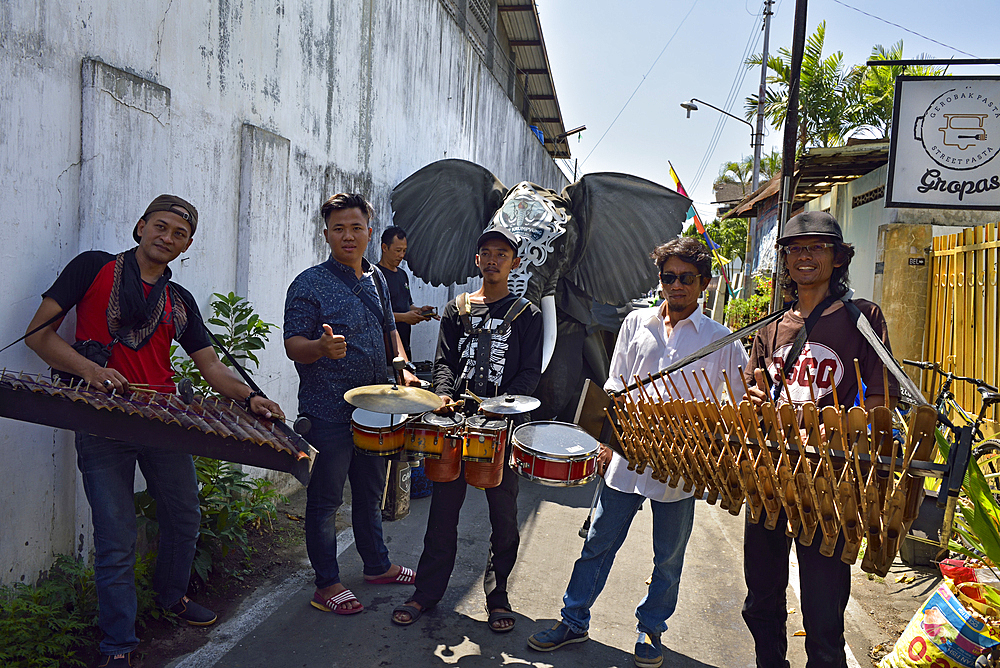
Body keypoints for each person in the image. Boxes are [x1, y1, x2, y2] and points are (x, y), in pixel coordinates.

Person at [24, 194, 285, 668]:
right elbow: (38, 335)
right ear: (141, 226)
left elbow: (211, 367)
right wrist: (88, 369)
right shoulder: (91, 268)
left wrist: (249, 398)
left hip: (164, 423)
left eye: (179, 234)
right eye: (160, 227)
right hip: (100, 420)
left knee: (184, 515)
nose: (167, 237)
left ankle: (171, 597)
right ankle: (117, 643)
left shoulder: (179, 301)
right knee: (116, 533)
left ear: (186, 246)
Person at [526, 237, 748, 668]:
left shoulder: (722, 340)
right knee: (597, 544)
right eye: (669, 277)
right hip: (626, 458)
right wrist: (607, 444)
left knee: (667, 558)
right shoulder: (635, 324)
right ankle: (573, 621)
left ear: (702, 283)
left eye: (687, 278)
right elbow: (614, 384)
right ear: (660, 280)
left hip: (682, 467)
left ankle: (651, 630)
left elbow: (736, 406)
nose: (677, 286)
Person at [741, 211, 898, 668]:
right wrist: (755, 398)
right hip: (769, 475)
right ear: (785, 260)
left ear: (837, 257)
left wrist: (844, 429)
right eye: (796, 248)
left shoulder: (861, 319)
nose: (805, 256)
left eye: (818, 247)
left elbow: (883, 399)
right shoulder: (772, 327)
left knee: (823, 611)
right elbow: (755, 390)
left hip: (830, 481)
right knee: (761, 599)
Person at [390, 223, 542, 633]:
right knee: (442, 513)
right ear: (477, 260)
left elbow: (530, 373)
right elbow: (443, 363)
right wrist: (442, 396)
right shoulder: (457, 308)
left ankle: (498, 596)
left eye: (501, 254)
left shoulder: (528, 315)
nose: (493, 260)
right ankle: (426, 592)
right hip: (455, 427)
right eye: (486, 253)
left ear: (513, 263)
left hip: (501, 430)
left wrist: (501, 408)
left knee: (503, 517)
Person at [283, 193, 420, 616]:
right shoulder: (308, 283)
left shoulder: (378, 279)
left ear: (369, 232)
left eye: (355, 227)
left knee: (369, 491)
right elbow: (292, 346)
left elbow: (387, 329)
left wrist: (401, 363)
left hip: (375, 409)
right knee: (325, 499)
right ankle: (326, 583)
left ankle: (377, 565)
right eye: (338, 228)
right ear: (326, 235)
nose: (348, 235)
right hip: (328, 412)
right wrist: (320, 348)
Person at [377, 225, 438, 359]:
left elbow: (406, 304)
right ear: (384, 248)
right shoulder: (375, 276)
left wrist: (421, 311)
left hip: (405, 347)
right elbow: (376, 315)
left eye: (404, 251)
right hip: (385, 349)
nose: (401, 255)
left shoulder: (402, 274)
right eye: (398, 250)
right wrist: (405, 317)